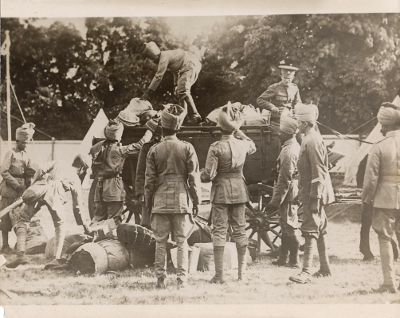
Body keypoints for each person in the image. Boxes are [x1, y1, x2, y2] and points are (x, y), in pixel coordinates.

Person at [145, 104, 200, 289]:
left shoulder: (154, 149)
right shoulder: (187, 148)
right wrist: (196, 200)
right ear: (178, 127)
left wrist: (147, 202)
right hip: (181, 201)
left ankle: (160, 280)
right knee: (182, 242)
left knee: (160, 242)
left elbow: (149, 181)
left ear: (162, 127)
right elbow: (193, 178)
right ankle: (182, 280)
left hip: (160, 201)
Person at [200, 104, 256, 283]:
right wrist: (239, 131)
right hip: (239, 190)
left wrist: (200, 174)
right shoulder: (243, 144)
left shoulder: (215, 147)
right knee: (240, 230)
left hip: (221, 192)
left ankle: (219, 275)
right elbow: (252, 146)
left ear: (219, 126)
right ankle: (242, 275)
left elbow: (208, 175)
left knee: (219, 231)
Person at [6, 155, 90, 269]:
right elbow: (77, 207)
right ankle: (57, 258)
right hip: (55, 194)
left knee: (23, 219)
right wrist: (85, 226)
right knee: (60, 225)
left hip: (40, 187)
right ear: (82, 168)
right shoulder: (75, 179)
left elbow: (40, 170)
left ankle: (21, 254)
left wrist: (34, 186)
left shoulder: (59, 162)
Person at [289, 103, 334, 284]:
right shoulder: (309, 138)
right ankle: (325, 268)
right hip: (310, 191)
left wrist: (314, 197)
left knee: (309, 229)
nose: (297, 124)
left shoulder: (312, 140)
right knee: (320, 229)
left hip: (313, 193)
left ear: (306, 123)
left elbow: (319, 172)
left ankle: (306, 272)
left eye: (299, 122)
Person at [361, 102, 400, 294]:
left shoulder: (379, 146)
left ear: (385, 125)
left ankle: (388, 282)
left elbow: (371, 179)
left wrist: (366, 198)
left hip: (385, 198)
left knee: (384, 238)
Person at [90, 119, 153, 225]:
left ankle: (93, 237)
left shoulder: (96, 148)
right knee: (114, 220)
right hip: (113, 188)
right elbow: (140, 145)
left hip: (99, 188)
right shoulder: (119, 150)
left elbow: (95, 148)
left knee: (98, 217)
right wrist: (150, 130)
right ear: (118, 135)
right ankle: (111, 241)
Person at [265, 112, 301, 268]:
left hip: (288, 194)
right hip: (289, 192)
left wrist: (274, 202)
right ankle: (283, 258)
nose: (278, 134)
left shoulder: (289, 151)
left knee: (289, 226)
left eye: (280, 132)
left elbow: (285, 180)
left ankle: (294, 261)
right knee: (285, 226)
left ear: (287, 133)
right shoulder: (289, 147)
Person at [140, 41, 202, 124]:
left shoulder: (163, 57)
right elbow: (176, 71)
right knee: (181, 94)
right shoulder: (167, 56)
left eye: (152, 58)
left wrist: (148, 92)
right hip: (189, 65)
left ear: (155, 55)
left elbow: (158, 77)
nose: (153, 61)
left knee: (183, 91)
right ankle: (183, 119)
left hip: (190, 64)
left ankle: (195, 115)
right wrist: (175, 84)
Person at [0, 123, 36, 254]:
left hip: (21, 192)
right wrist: (16, 185)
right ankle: (4, 245)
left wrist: (28, 183)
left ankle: (19, 244)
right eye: (22, 143)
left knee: (19, 217)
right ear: (17, 141)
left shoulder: (26, 155)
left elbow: (29, 171)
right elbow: (3, 171)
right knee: (5, 219)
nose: (25, 145)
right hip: (9, 190)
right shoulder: (11, 153)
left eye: (26, 143)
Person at [135, 118, 163, 229]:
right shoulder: (146, 147)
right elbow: (140, 171)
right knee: (146, 225)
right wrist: (140, 193)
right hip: (149, 191)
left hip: (163, 191)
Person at [257, 64, 302, 131]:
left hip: (290, 117)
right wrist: (272, 107)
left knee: (299, 135)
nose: (287, 81)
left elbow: (298, 102)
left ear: (293, 78)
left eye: (289, 79)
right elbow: (260, 100)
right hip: (277, 119)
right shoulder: (274, 87)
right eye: (285, 78)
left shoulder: (294, 88)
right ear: (281, 77)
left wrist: (297, 110)